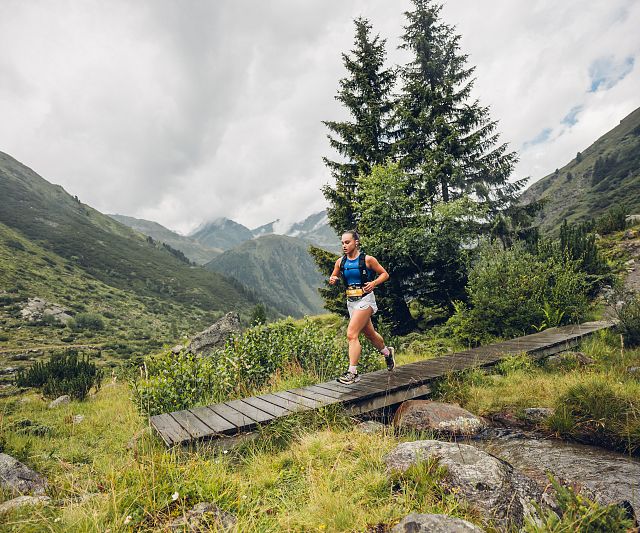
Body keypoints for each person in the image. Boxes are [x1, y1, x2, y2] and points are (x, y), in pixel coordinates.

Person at [329, 230, 395, 384]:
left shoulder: (368, 260)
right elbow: (334, 275)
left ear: (356, 242)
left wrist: (373, 283)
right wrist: (333, 279)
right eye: (342, 243)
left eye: (347, 242)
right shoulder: (340, 262)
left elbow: (384, 274)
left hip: (366, 301)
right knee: (370, 335)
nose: (344, 246)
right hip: (351, 302)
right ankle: (387, 353)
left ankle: (353, 372)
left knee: (352, 334)